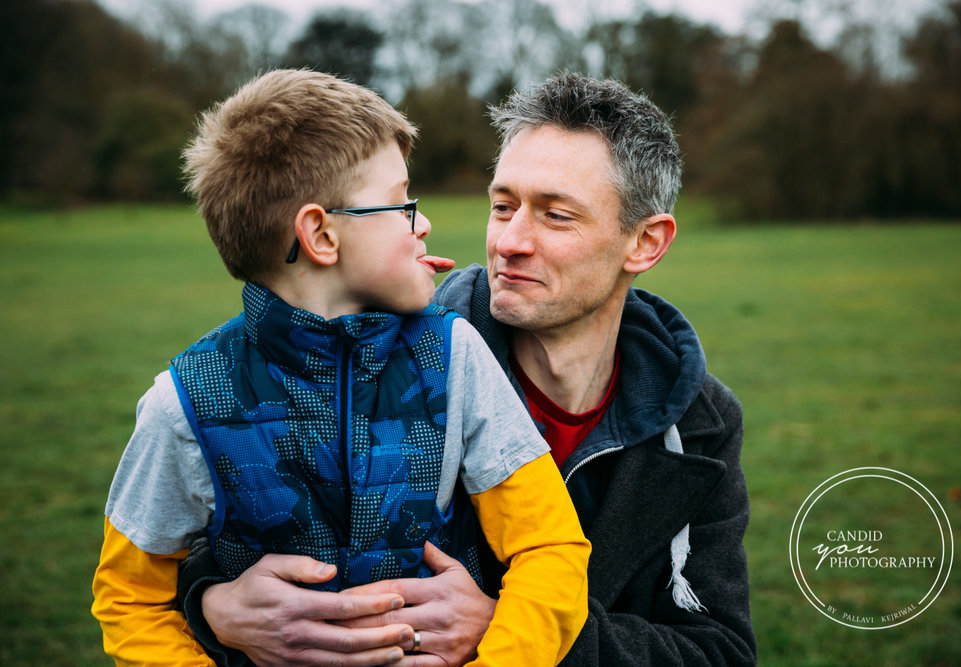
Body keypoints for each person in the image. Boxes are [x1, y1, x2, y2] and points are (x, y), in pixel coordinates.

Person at [179, 72, 756, 666]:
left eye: (556, 216)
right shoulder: (388, 353)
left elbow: (719, 651)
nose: (510, 241)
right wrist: (210, 604)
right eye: (502, 206)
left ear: (646, 243)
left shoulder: (698, 422)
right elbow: (228, 517)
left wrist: (515, 629)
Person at [90, 69, 591, 667]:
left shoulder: (453, 357)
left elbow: (550, 547)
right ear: (321, 234)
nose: (423, 223)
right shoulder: (185, 402)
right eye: (402, 204)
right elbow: (130, 601)